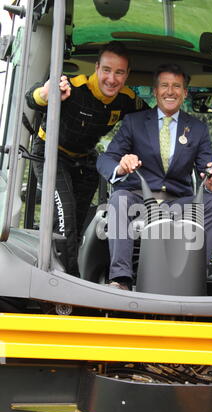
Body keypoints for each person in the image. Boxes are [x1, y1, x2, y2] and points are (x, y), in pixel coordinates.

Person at [97, 63, 212, 290]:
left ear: (185, 93)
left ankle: (196, 276)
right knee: (119, 199)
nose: (170, 91)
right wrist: (121, 166)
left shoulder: (197, 128)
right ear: (155, 91)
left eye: (177, 86)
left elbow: (208, 168)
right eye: (164, 85)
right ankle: (121, 279)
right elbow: (105, 159)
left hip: (179, 201)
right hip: (140, 199)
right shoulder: (134, 122)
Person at [25, 41, 149, 276]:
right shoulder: (74, 86)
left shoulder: (128, 99)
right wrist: (44, 93)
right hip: (51, 153)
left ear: (127, 75)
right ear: (96, 67)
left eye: (119, 72)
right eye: (106, 70)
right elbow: (32, 97)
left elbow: (152, 119)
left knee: (79, 221)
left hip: (85, 160)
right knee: (65, 219)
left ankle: (71, 274)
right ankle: (67, 283)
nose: (112, 79)